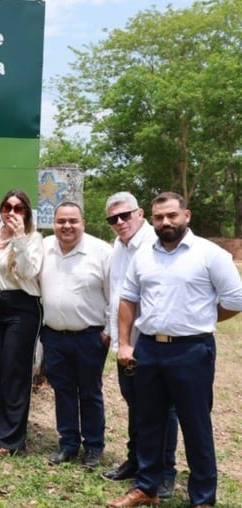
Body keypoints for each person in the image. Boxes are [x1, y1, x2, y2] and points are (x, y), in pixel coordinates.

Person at [107, 192, 242, 508]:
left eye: (172, 215)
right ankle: (146, 488)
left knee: (196, 426)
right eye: (159, 217)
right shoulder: (144, 255)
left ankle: (203, 498)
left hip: (192, 352)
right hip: (150, 350)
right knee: (149, 422)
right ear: (151, 219)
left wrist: (205, 317)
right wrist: (126, 343)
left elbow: (235, 300)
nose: (165, 222)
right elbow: (128, 299)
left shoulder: (210, 254)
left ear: (187, 216)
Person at [101, 191, 178, 500]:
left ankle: (165, 472)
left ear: (140, 213)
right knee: (135, 405)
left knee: (163, 410)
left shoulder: (157, 244)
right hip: (125, 344)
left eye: (125, 215)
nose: (120, 222)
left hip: (153, 342)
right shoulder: (117, 248)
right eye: (113, 219)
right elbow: (115, 296)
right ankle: (137, 461)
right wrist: (114, 336)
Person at [39, 202, 112, 468]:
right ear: (53, 223)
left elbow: (114, 296)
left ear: (83, 222)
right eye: (61, 221)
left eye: (72, 221)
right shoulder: (44, 247)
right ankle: (68, 443)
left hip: (90, 337)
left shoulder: (102, 252)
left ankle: (93, 446)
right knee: (63, 390)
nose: (66, 226)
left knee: (90, 392)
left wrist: (108, 333)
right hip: (54, 335)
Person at [0, 189, 43, 456]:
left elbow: (30, 272)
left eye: (18, 208)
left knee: (14, 371)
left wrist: (19, 239)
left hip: (22, 307)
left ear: (26, 212)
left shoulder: (34, 238)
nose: (12, 213)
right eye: (7, 207)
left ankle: (11, 438)